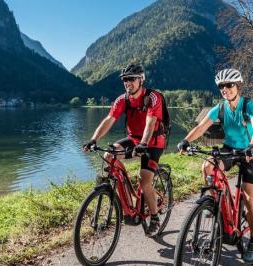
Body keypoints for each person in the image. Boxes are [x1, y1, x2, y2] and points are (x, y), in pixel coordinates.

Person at [177, 68, 253, 262]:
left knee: (249, 198)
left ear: (238, 87)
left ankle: (252, 240)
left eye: (229, 85)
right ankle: (214, 203)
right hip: (230, 148)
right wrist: (185, 141)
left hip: (249, 153)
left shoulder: (248, 106)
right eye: (221, 86)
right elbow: (201, 127)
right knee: (208, 166)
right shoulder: (219, 108)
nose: (225, 89)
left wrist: (251, 147)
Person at [83, 64, 167, 237]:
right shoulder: (123, 99)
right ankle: (128, 202)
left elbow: (150, 123)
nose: (128, 83)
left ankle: (155, 218)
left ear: (141, 79)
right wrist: (93, 139)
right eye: (125, 80)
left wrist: (143, 144)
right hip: (134, 138)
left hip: (153, 142)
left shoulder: (153, 97)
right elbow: (109, 119)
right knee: (108, 156)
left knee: (144, 181)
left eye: (132, 79)